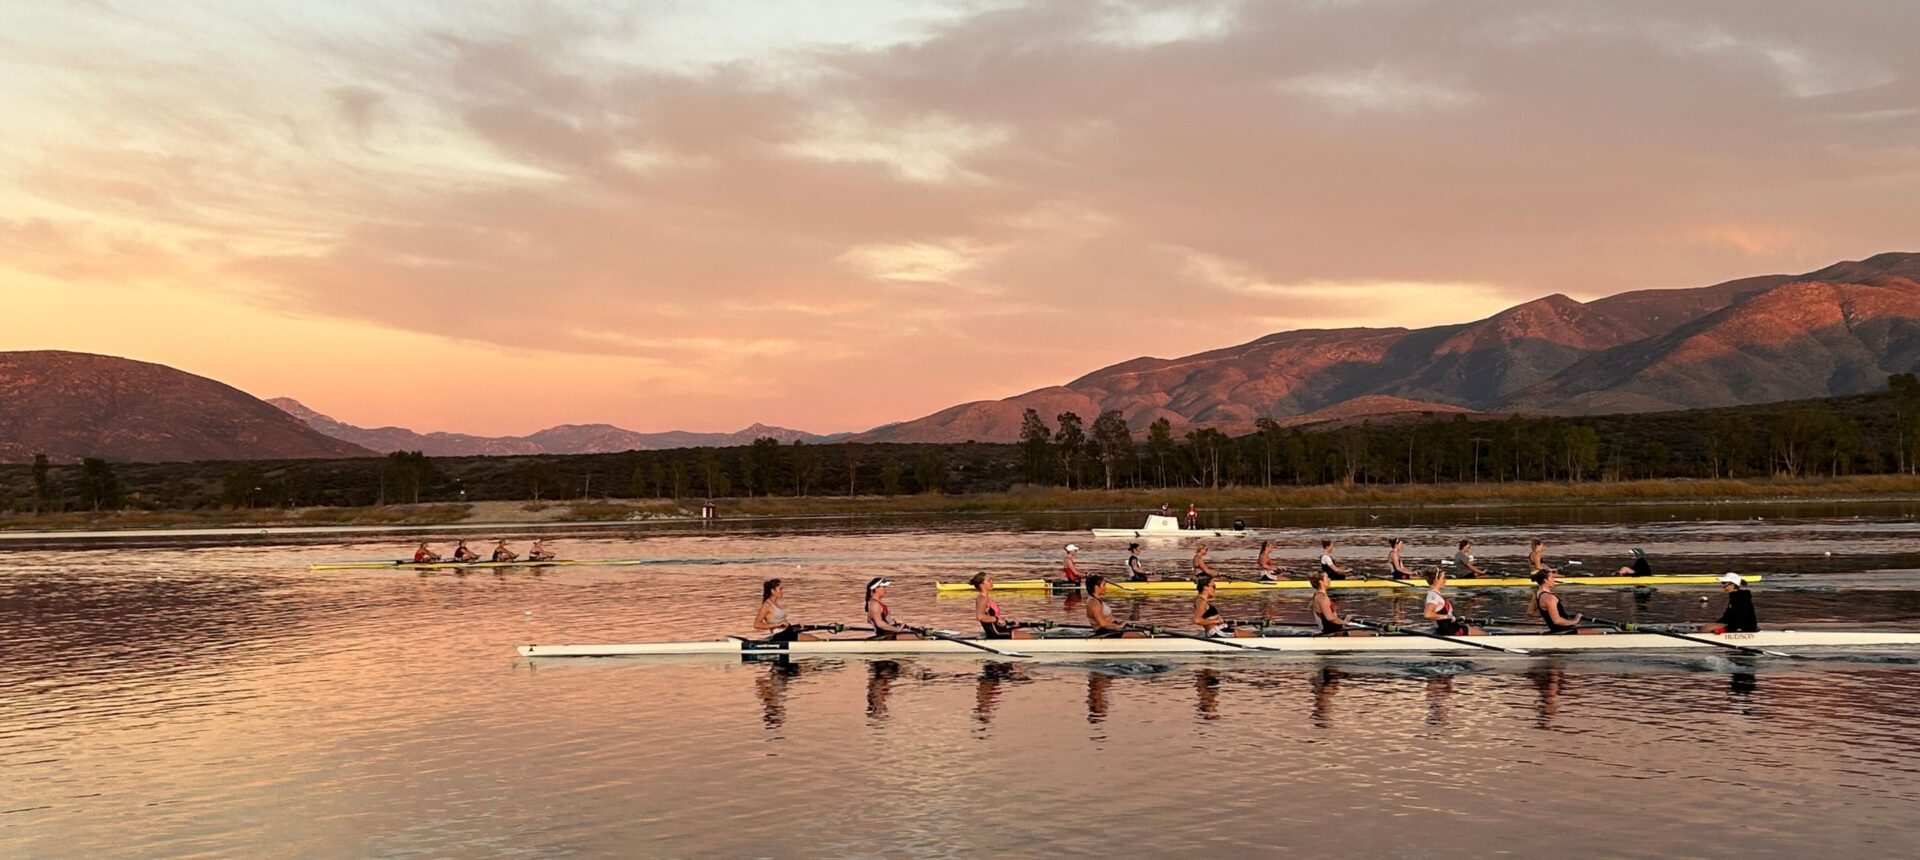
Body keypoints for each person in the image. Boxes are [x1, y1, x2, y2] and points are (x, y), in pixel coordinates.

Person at [1529, 570, 1597, 634]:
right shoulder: (1549, 598)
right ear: (1545, 580)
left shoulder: (1536, 595)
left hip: (1557, 629)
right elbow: (1557, 621)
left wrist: (1548, 614)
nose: (1554, 580)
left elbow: (1530, 612)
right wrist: (1576, 620)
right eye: (1552, 578)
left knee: (1591, 630)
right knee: (1597, 632)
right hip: (1563, 630)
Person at [1422, 569, 1481, 636]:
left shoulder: (1435, 594)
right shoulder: (1433, 595)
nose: (1445, 580)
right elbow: (1428, 614)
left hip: (1449, 628)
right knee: (1485, 634)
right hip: (1450, 630)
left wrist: (1452, 617)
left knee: (1476, 629)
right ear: (1436, 580)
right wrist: (1446, 616)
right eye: (1443, 578)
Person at [755, 578, 815, 642]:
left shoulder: (775, 604)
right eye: (780, 589)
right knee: (815, 641)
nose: (782, 592)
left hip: (788, 632)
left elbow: (780, 619)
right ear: (772, 591)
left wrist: (797, 626)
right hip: (781, 636)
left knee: (816, 640)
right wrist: (777, 624)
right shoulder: (767, 605)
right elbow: (757, 624)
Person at [971, 572, 1026, 639]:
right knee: (1026, 636)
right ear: (981, 584)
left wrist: (1006, 621)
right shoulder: (982, 598)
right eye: (989, 581)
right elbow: (980, 616)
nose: (992, 582)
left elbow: (995, 617)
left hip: (1000, 629)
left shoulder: (987, 598)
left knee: (1026, 634)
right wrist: (996, 619)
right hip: (996, 633)